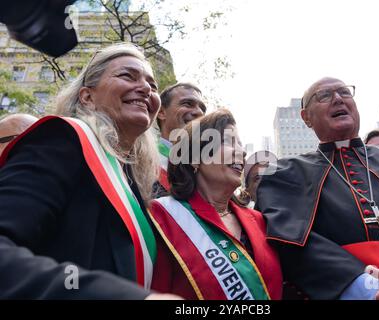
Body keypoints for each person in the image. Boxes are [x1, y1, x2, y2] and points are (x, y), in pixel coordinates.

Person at [0, 43, 178, 299]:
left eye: (153, 85)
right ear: (87, 97)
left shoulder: (134, 182)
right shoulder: (61, 139)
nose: (146, 89)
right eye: (128, 75)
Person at [256, 77, 379, 300]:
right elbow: (286, 239)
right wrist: (368, 289)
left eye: (345, 92)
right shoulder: (283, 174)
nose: (338, 99)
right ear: (306, 117)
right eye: (324, 95)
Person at [149, 109, 283, 300]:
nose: (242, 152)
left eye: (240, 144)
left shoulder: (259, 220)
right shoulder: (162, 216)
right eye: (228, 142)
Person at [154, 83, 206, 196]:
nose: (200, 113)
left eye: (202, 108)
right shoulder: (140, 163)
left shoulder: (208, 168)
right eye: (187, 104)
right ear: (162, 113)